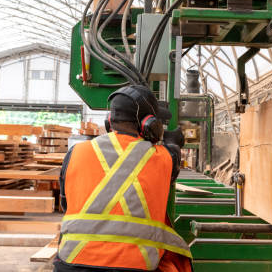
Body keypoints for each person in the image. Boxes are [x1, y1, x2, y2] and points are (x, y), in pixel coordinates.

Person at [54, 85, 192, 272]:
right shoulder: (161, 157)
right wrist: (173, 142)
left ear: (109, 121)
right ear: (149, 124)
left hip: (71, 262)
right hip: (134, 265)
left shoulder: (75, 153)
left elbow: (65, 205)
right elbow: (174, 157)